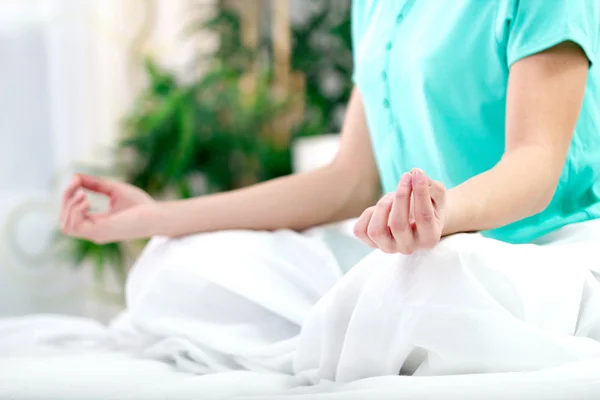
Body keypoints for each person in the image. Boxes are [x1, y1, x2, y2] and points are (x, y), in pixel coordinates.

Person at [57, 0, 600, 379]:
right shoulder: (377, 5)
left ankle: (361, 323)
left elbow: (535, 162)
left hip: (544, 254)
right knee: (171, 264)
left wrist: (443, 211)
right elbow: (348, 182)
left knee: (424, 277)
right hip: (412, 256)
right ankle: (361, 326)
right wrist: (160, 218)